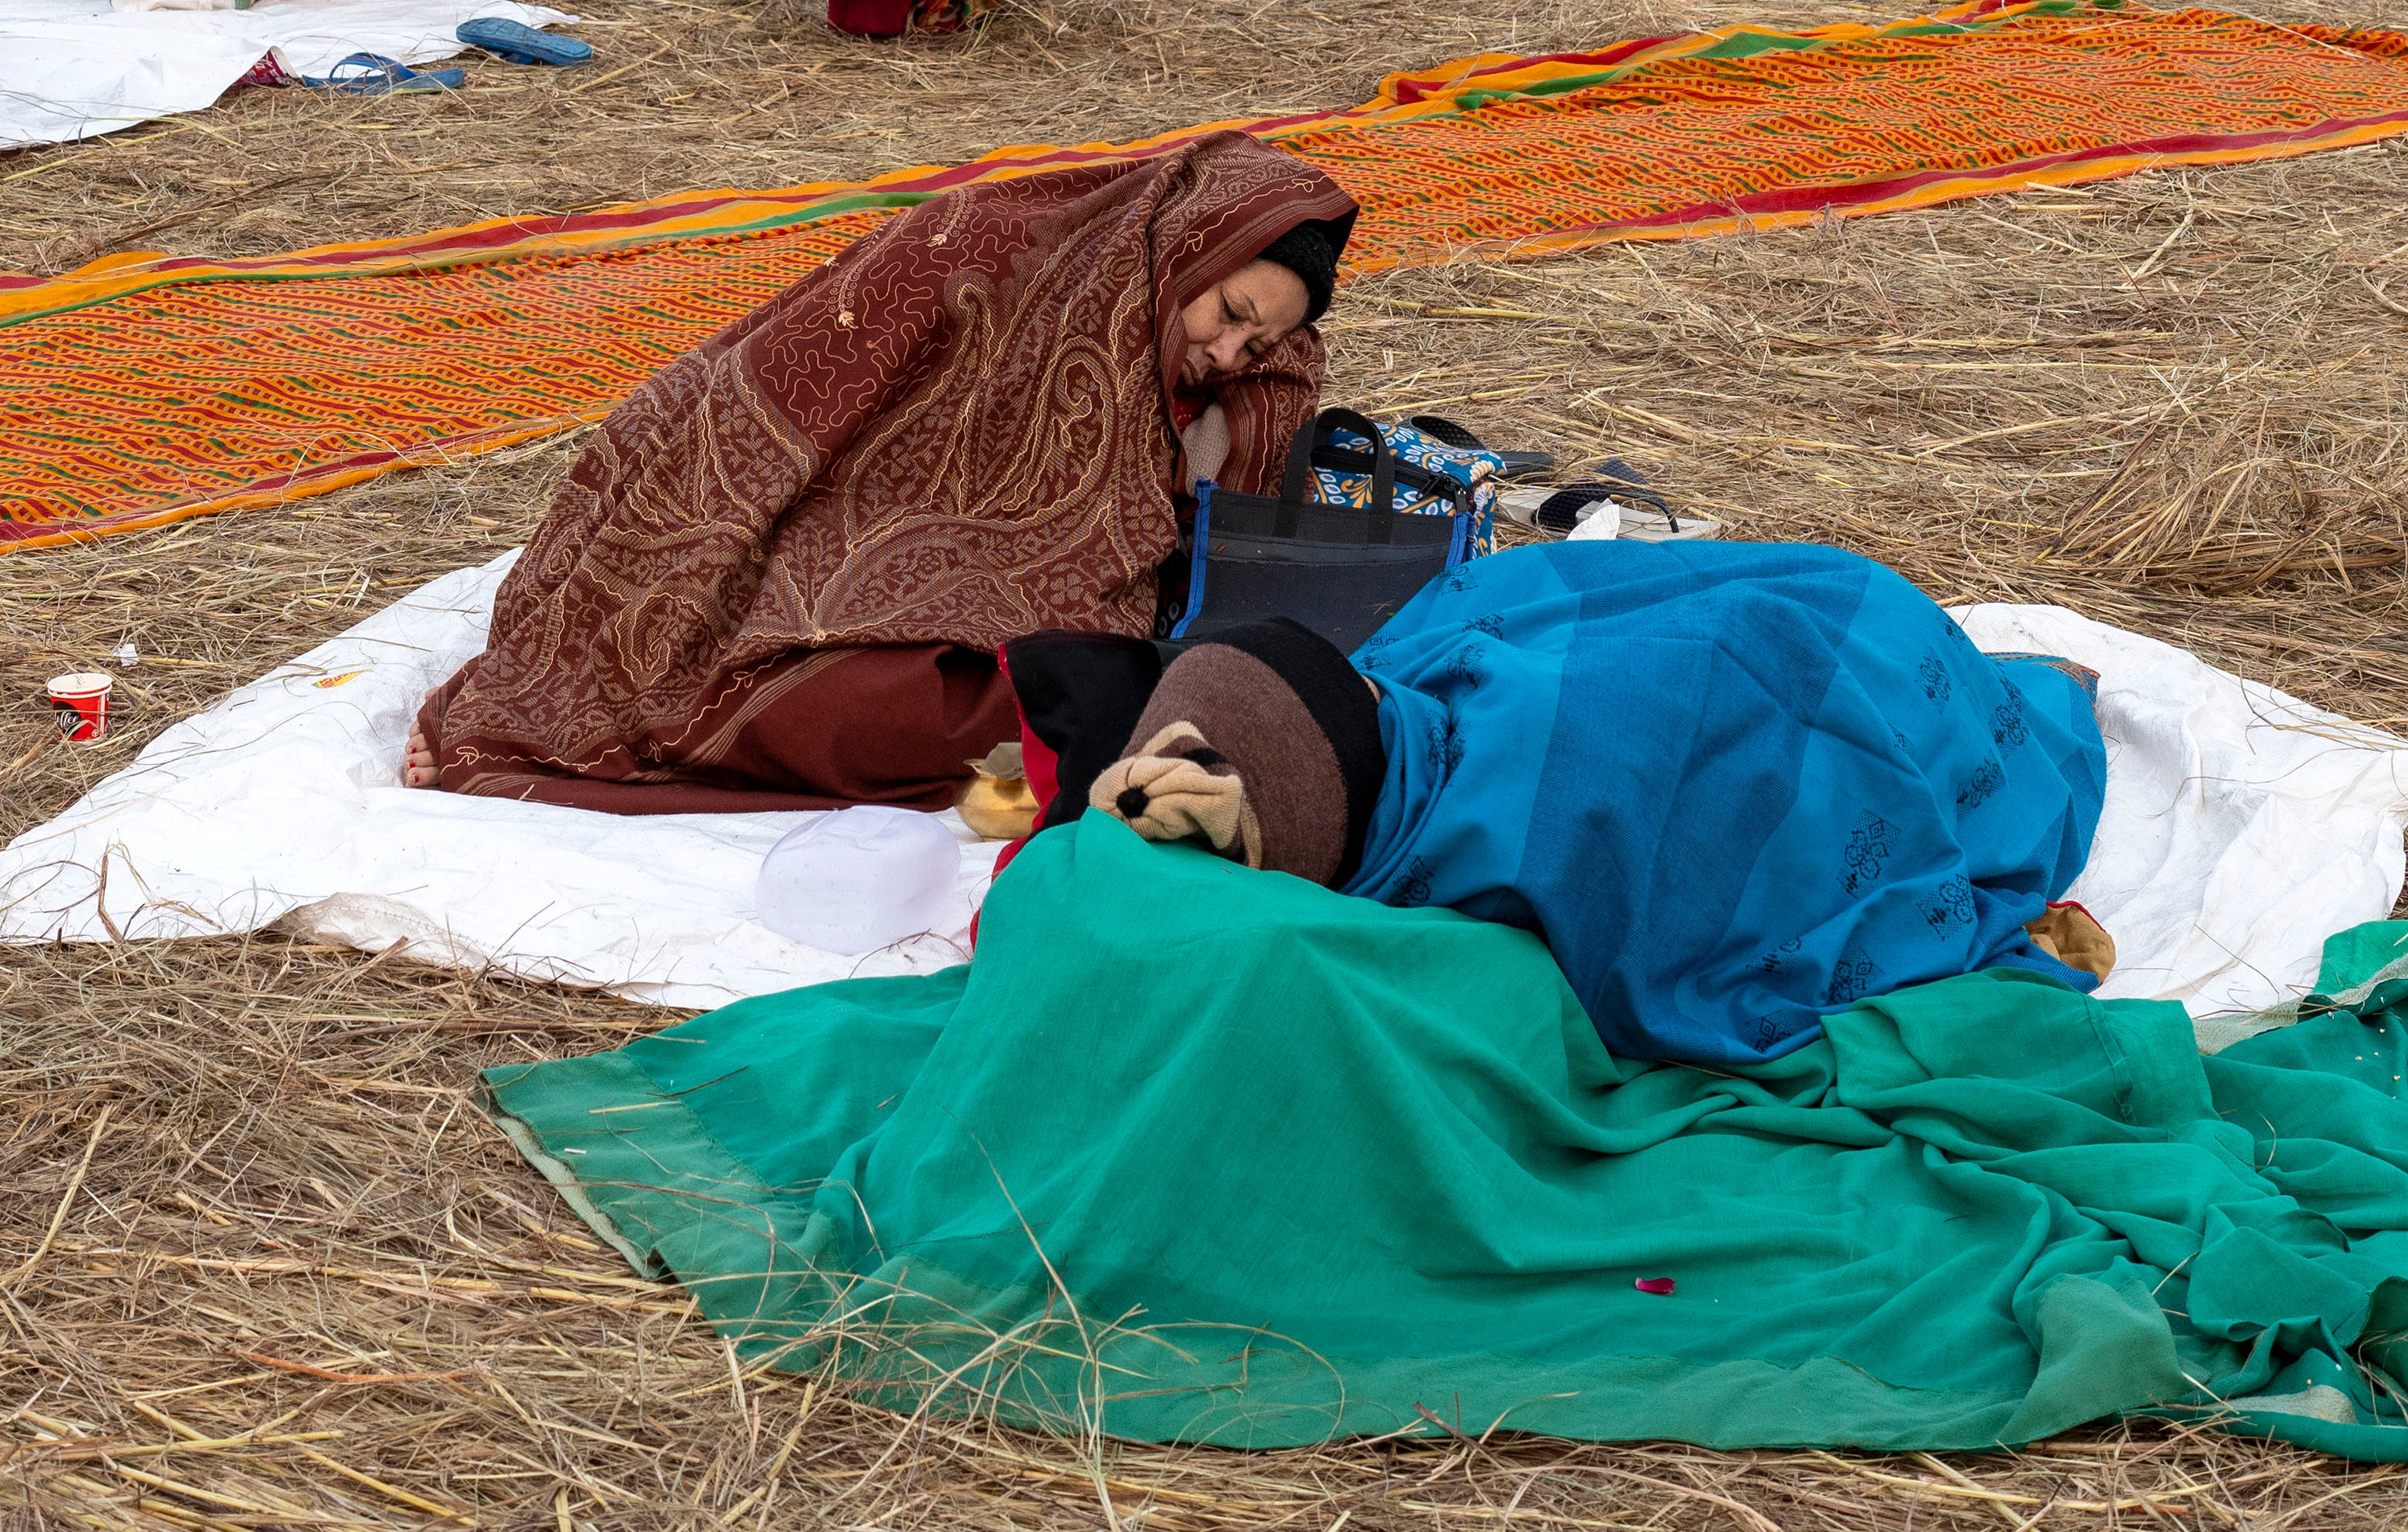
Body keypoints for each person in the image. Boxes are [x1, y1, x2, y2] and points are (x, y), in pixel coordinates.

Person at [404, 132, 1356, 813]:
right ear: (1191, 239)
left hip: (1010, 610)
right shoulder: (989, 245)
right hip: (809, 548)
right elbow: (775, 391)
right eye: (1228, 313)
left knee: (1049, 702)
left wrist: (1250, 389)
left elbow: (1221, 502)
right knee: (813, 701)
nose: (1228, 352)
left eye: (1257, 341)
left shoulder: (1238, 363)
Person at [1066, 538, 2112, 1064]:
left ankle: (2018, 699)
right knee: (1841, 696)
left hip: (1802, 642)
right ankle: (2028, 702)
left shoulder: (1411, 678)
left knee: (1772, 647)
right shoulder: (1499, 840)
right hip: (1805, 662)